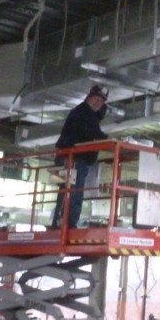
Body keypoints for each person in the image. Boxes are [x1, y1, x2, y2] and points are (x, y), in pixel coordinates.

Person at [50, 85, 109, 228]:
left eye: (101, 101)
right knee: (73, 193)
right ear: (88, 98)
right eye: (96, 99)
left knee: (66, 191)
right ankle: (67, 224)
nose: (98, 103)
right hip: (72, 159)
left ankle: (60, 222)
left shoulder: (86, 113)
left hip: (68, 158)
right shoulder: (84, 113)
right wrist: (110, 139)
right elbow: (94, 132)